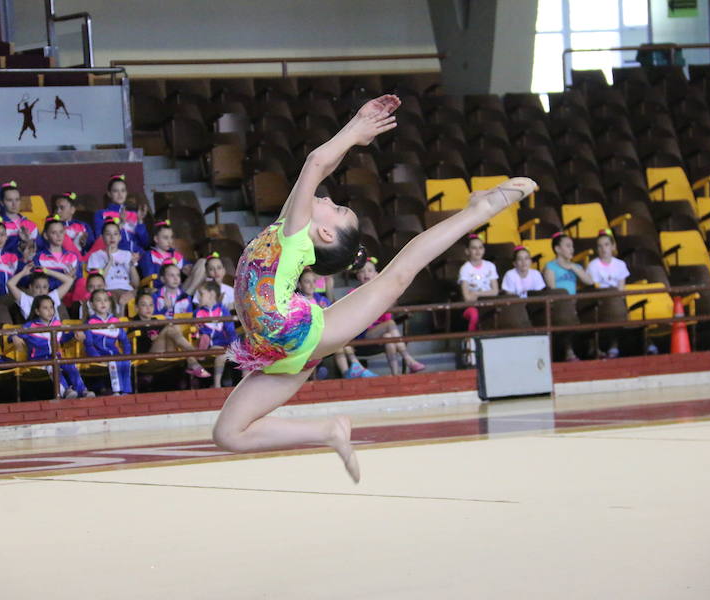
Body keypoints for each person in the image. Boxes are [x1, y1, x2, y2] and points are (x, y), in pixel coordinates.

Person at [213, 93, 537, 482]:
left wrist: (355, 130)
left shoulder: (297, 235)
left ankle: (479, 211)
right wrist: (357, 129)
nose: (330, 197)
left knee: (395, 279)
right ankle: (327, 432)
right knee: (227, 434)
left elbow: (315, 162)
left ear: (326, 232)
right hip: (277, 352)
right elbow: (316, 168)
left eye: (337, 208)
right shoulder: (285, 229)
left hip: (292, 332)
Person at [352, 257, 426, 375]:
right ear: (357, 276)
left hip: (379, 335)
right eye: (362, 271)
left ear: (377, 275)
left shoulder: (383, 294)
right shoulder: (353, 294)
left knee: (389, 338)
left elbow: (387, 317)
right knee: (390, 325)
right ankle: (408, 358)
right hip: (362, 335)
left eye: (370, 270)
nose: (366, 274)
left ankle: (395, 376)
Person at [298, 269, 375, 378]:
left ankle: (349, 371)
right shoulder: (297, 303)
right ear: (299, 285)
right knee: (337, 342)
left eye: (314, 281)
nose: (311, 285)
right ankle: (354, 367)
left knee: (339, 341)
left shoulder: (322, 300)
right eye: (307, 282)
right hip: (309, 338)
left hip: (326, 334)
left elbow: (333, 316)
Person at [20, 295, 94, 399]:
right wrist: (14, 337)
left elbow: (62, 338)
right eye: (45, 308)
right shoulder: (30, 325)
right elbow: (15, 334)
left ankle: (83, 391)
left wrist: (73, 334)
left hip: (57, 356)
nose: (50, 311)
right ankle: (65, 391)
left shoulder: (57, 323)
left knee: (71, 366)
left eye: (51, 307)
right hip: (39, 359)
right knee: (53, 367)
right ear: (37, 311)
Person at [134, 290, 210, 378]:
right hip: (148, 356)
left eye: (151, 305)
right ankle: (194, 354)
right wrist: (155, 338)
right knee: (169, 328)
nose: (148, 308)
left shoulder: (156, 321)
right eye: (144, 305)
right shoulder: (133, 323)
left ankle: (193, 361)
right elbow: (139, 344)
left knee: (174, 327)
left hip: (167, 351)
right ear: (136, 308)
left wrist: (159, 337)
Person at [543, 232, 594, 361]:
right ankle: (569, 352)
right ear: (557, 249)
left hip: (575, 305)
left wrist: (573, 268)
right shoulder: (550, 267)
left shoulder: (575, 266)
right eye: (568, 246)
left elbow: (589, 281)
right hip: (560, 306)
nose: (572, 249)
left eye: (572, 246)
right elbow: (552, 289)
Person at [586, 229, 631, 358]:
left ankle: (614, 345)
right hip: (600, 302)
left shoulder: (620, 264)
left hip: (616, 300)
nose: (603, 249)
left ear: (613, 246)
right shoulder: (592, 266)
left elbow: (621, 287)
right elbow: (594, 288)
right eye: (600, 246)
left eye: (606, 245)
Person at [458, 234, 499, 366]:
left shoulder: (490, 266)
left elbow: (496, 291)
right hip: (471, 307)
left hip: (488, 304)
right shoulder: (465, 269)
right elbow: (467, 297)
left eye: (480, 247)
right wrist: (483, 294)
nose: (477, 251)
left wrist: (476, 293)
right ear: (467, 251)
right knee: (474, 315)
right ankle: (471, 348)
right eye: (474, 248)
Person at [84, 289, 133, 395]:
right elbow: (89, 345)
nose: (103, 303)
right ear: (92, 304)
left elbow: (125, 341)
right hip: (99, 355)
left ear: (110, 303)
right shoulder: (90, 323)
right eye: (99, 300)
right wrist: (98, 357)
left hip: (115, 353)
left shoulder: (115, 321)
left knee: (125, 362)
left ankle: (126, 391)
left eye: (106, 300)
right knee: (113, 362)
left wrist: (127, 354)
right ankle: (117, 390)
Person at [87, 218, 139, 308]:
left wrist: (131, 264)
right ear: (102, 237)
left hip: (128, 291)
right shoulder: (95, 256)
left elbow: (136, 284)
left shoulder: (127, 254)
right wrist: (110, 262)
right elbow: (96, 282)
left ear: (120, 237)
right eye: (108, 234)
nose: (112, 237)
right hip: (108, 291)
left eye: (115, 234)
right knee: (119, 299)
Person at [195, 281, 238, 388]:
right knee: (221, 354)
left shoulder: (223, 310)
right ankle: (217, 384)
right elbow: (199, 331)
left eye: (201, 294)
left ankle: (246, 381)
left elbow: (230, 329)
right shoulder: (198, 313)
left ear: (212, 294)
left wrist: (235, 345)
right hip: (211, 345)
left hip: (227, 344)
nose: (198, 297)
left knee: (243, 353)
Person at [138, 219, 203, 290]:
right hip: (159, 292)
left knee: (202, 262)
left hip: (180, 289)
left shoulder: (176, 255)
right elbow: (149, 278)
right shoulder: (148, 256)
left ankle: (184, 297)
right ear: (156, 239)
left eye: (171, 237)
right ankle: (184, 298)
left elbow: (189, 270)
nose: (170, 241)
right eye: (166, 238)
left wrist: (187, 269)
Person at [91, 174, 149, 252]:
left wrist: (140, 221)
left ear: (126, 193)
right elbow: (100, 239)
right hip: (114, 255)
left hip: (137, 254)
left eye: (123, 190)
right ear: (109, 194)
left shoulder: (135, 214)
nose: (120, 194)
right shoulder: (101, 214)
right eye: (115, 191)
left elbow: (145, 243)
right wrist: (120, 225)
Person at [6, 263, 74, 322]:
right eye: (37, 287)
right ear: (30, 287)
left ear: (48, 288)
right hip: (36, 334)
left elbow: (69, 280)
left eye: (45, 287)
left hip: (55, 333)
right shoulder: (26, 300)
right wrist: (23, 272)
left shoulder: (52, 297)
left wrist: (47, 271)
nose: (41, 291)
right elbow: (10, 284)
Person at [34, 215, 81, 292]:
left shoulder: (73, 257)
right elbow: (39, 285)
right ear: (46, 235)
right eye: (54, 232)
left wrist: (68, 280)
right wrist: (65, 279)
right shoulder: (39, 257)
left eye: (61, 232)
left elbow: (77, 283)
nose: (59, 236)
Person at [0, 181, 38, 253]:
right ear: (2, 202)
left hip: (29, 262)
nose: (14, 204)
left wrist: (29, 241)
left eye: (17, 200)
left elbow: (40, 247)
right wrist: (18, 239)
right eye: (9, 200)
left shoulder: (30, 224)